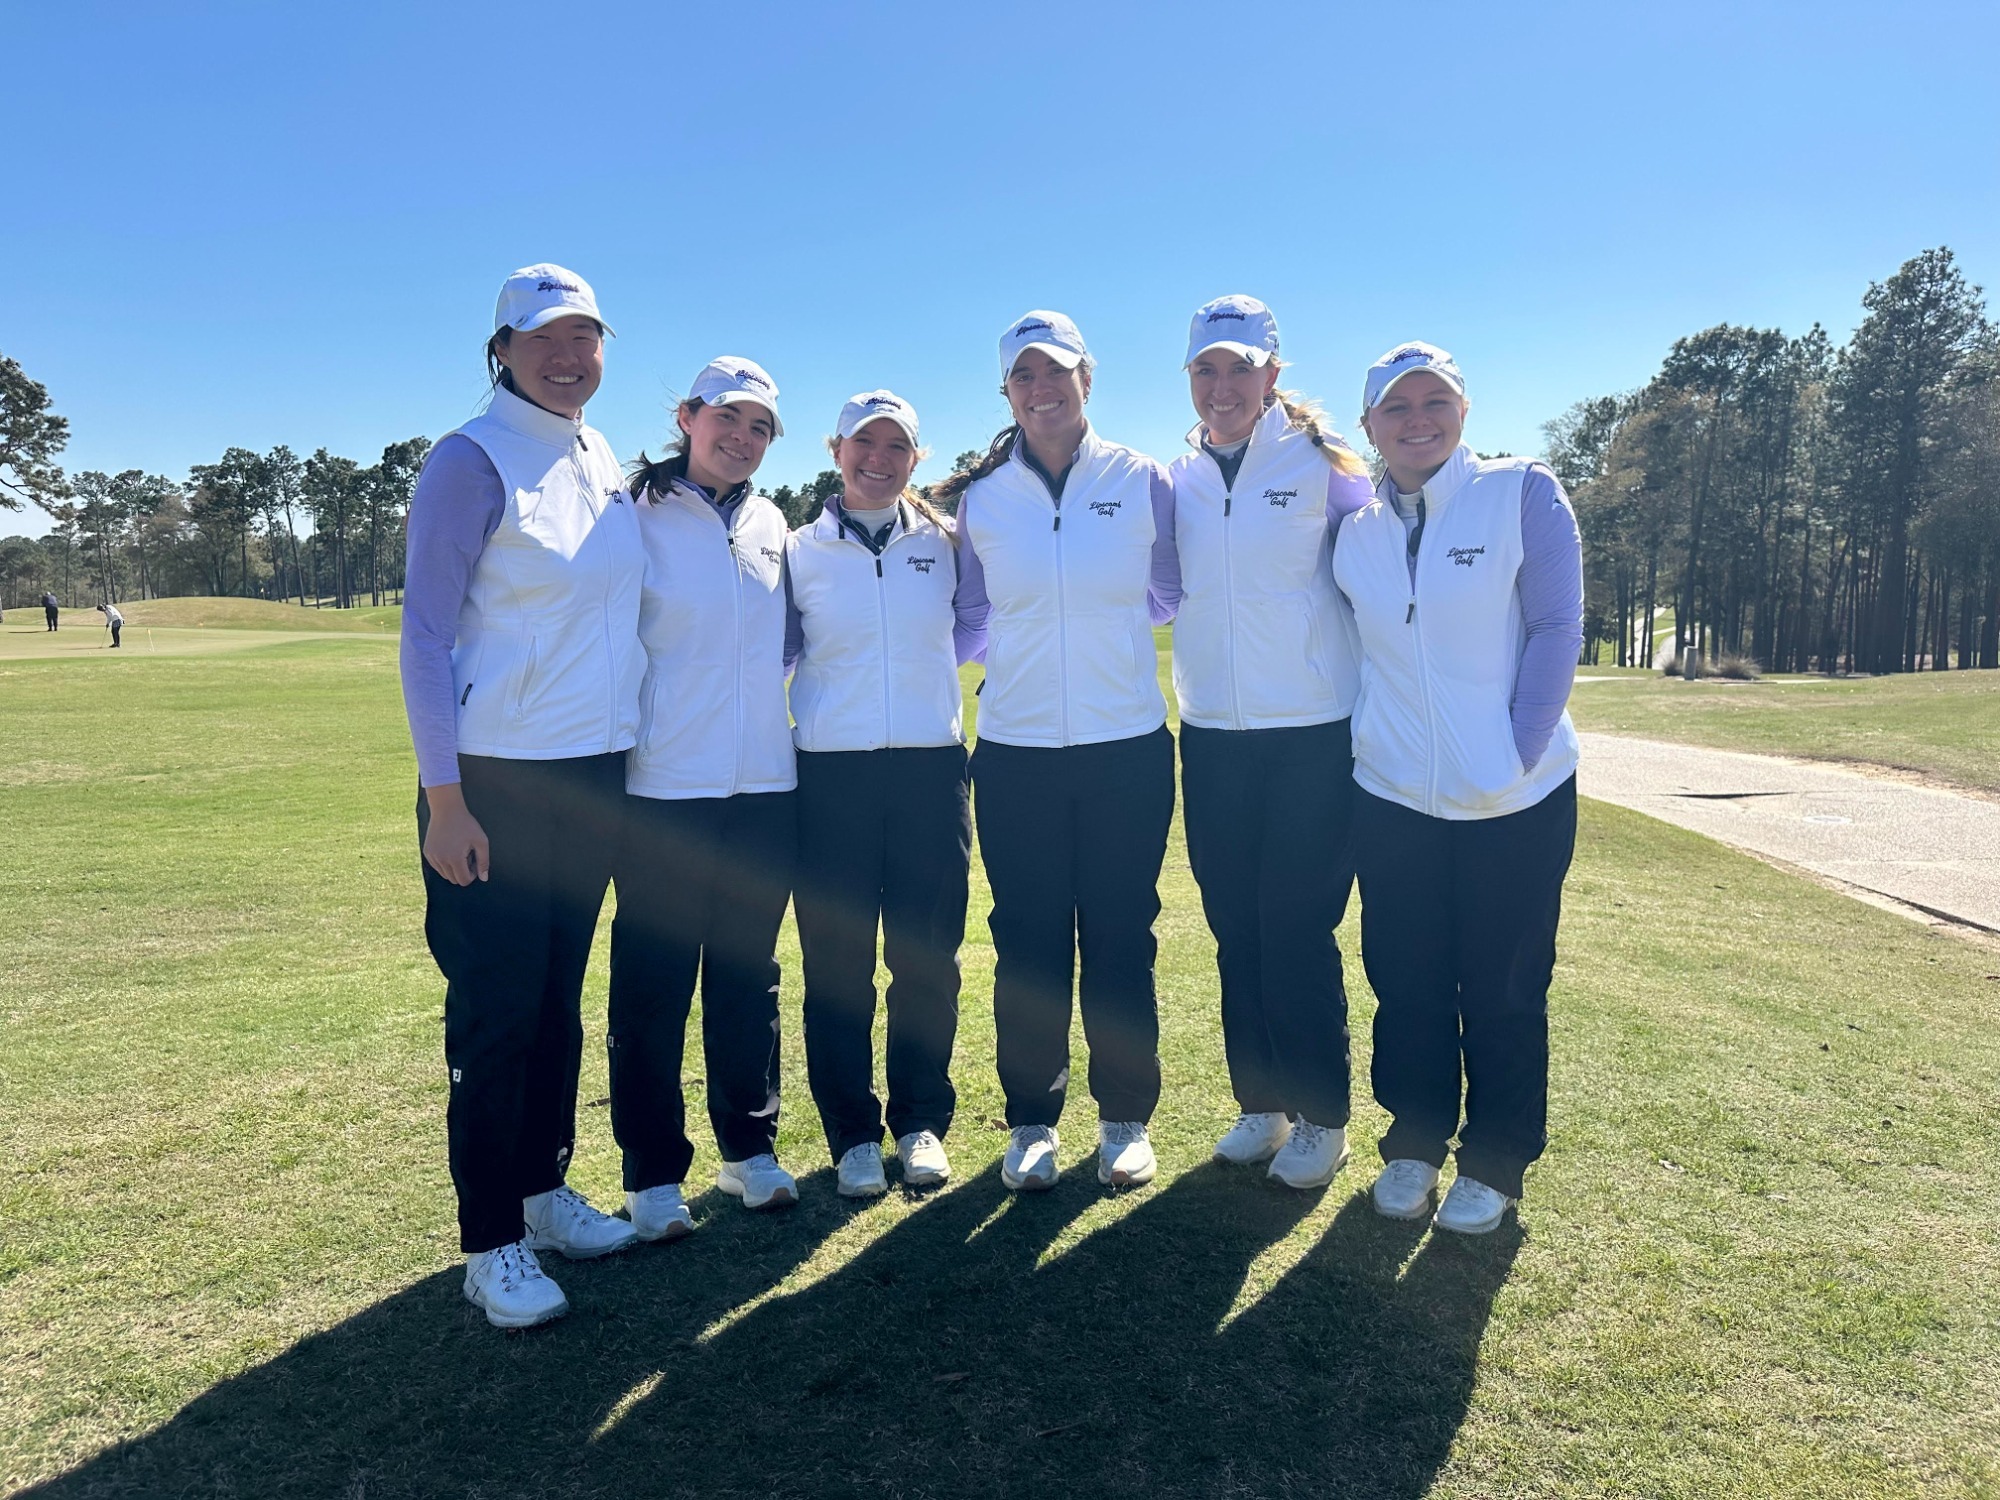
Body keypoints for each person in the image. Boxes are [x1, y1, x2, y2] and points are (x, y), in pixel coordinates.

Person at [400, 264, 645, 1328]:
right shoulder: (469, 458)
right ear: (500, 349)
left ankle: (544, 1196)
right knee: (495, 1018)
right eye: (543, 338)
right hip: (491, 782)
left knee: (554, 1005)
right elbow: (423, 636)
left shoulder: (599, 454)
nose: (567, 355)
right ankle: (490, 1239)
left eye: (584, 336)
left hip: (589, 779)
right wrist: (444, 798)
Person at [1332, 341, 1584, 1235]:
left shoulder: (1520, 492)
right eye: (1396, 407)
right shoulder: (1354, 531)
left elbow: (1557, 627)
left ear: (1463, 411)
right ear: (1369, 426)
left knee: (1505, 985)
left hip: (1514, 801)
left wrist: (1511, 754)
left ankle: (1497, 1158)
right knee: (1405, 979)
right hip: (1395, 797)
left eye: (1433, 400)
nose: (1417, 420)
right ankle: (1414, 1139)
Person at [936, 310, 1181, 1193]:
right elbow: (967, 617)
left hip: (1126, 747)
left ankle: (1124, 1121)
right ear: (1007, 392)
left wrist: (1101, 648)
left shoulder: (1140, 477)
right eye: (1024, 377)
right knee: (1027, 939)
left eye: (1058, 372)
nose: (1043, 390)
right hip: (1016, 750)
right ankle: (1032, 1121)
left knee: (1122, 935)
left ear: (1088, 378)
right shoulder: (984, 498)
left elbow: (1170, 592)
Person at [1166, 295, 1374, 1190]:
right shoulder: (1177, 476)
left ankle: (1323, 1113)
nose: (1223, 386)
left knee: (1294, 926)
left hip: (1309, 736)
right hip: (1213, 733)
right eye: (1207, 369)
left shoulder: (1327, 466)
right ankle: (1264, 1102)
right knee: (1231, 927)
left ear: (1273, 376)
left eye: (1240, 368)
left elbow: (1382, 566)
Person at [608, 357, 800, 1227]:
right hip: (662, 789)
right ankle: (652, 1174)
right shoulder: (631, 512)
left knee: (747, 979)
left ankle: (749, 1151)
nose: (742, 437)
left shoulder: (773, 523)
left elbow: (784, 645)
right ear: (687, 416)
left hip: (763, 786)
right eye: (727, 417)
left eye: (760, 426)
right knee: (653, 983)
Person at [784, 391, 984, 1198]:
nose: (879, 457)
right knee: (837, 965)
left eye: (896, 445)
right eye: (864, 441)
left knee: (927, 958)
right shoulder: (797, 549)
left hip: (931, 771)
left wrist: (919, 686)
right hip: (829, 775)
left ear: (916, 459)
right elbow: (783, 650)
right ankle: (853, 1134)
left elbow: (969, 628)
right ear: (836, 449)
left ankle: (920, 1120)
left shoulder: (944, 541)